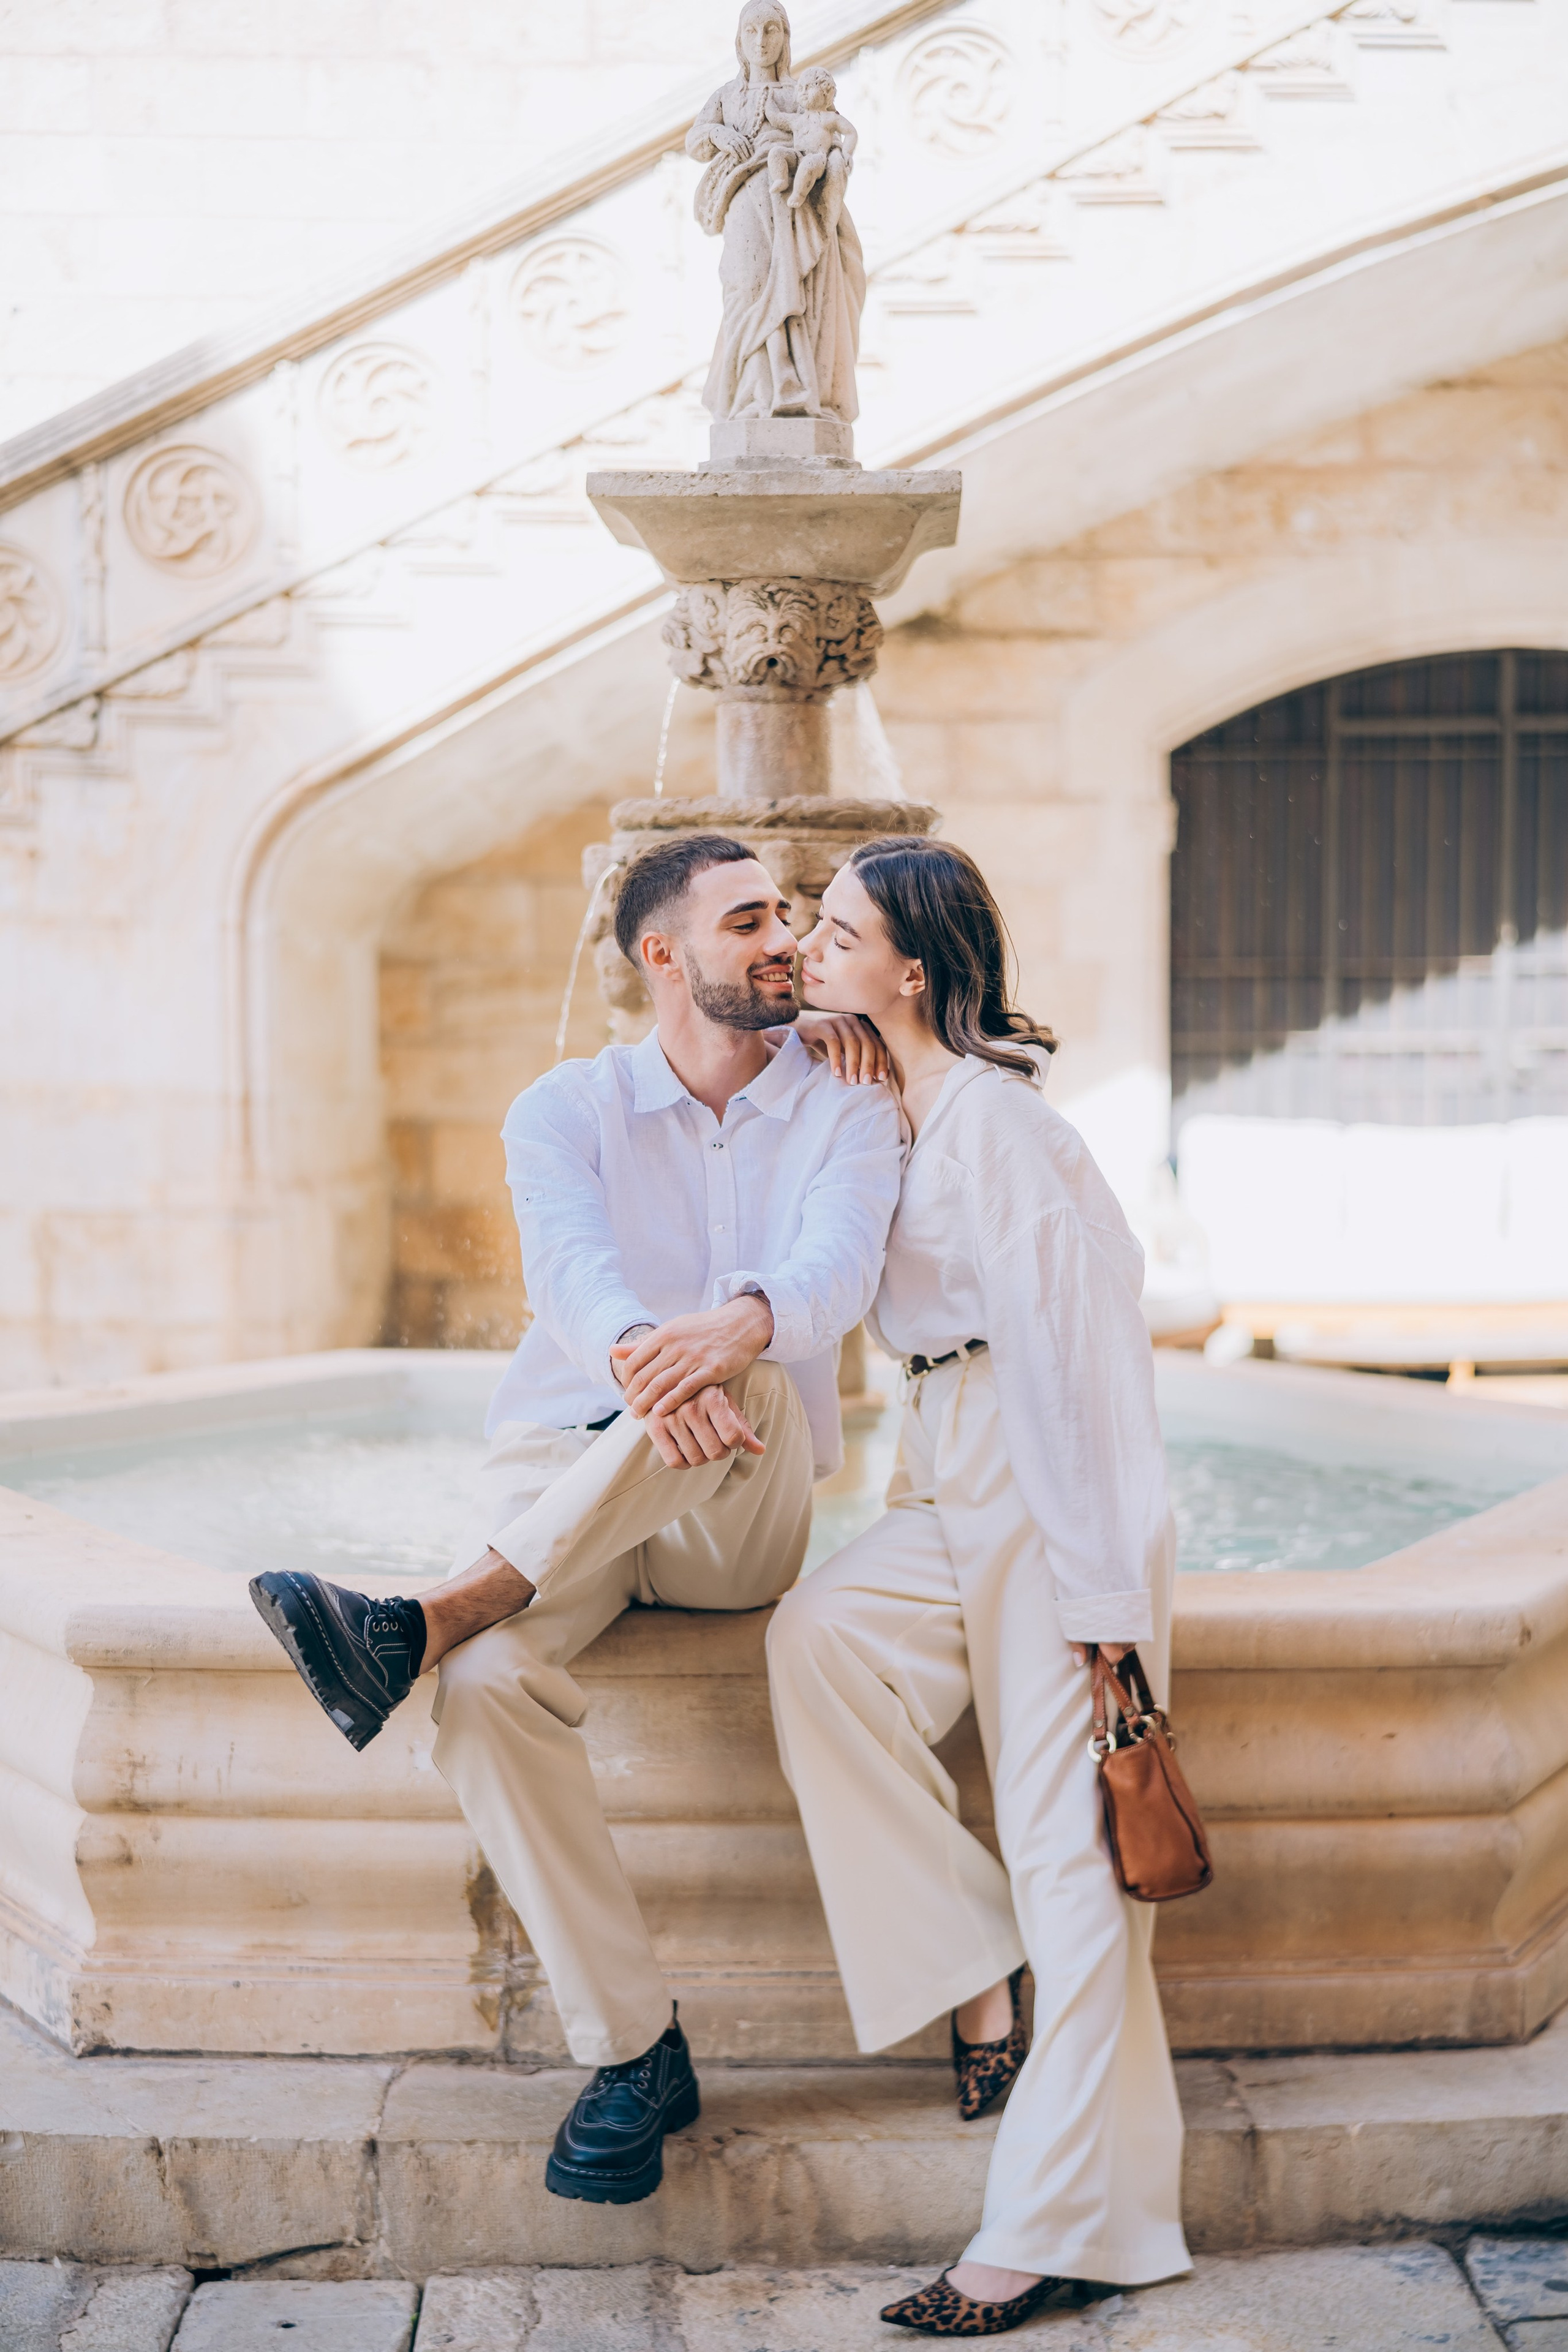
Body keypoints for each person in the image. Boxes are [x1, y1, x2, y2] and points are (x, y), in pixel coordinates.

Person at [249, 832, 902, 2209]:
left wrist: (725, 1337)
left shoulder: (844, 1094)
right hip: (572, 1463)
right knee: (484, 1693)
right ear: (661, 956)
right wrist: (647, 1364)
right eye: (746, 921)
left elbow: (835, 1274)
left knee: (747, 1370)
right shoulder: (563, 1108)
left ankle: (439, 1611)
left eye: (785, 915)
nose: (784, 938)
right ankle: (634, 2055)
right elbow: (568, 1276)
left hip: (736, 1500)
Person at [766, 837, 1191, 2338]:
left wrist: (1100, 1608)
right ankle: (967, 1959)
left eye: (838, 932)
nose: (809, 947)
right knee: (818, 1640)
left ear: (911, 968)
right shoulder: (898, 1099)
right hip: (949, 1461)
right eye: (810, 927)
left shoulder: (1000, 1123)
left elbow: (1078, 1369)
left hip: (1040, 1476)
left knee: (1069, 1863)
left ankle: (1045, 2233)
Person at [687, 1, 864, 424]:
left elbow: (829, 135)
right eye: (752, 31)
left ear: (785, 38)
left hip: (790, 207)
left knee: (795, 295)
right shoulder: (727, 95)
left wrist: (835, 161)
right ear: (739, 40)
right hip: (743, 201)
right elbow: (695, 143)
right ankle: (750, 392)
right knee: (745, 286)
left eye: (771, 30)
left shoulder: (800, 92)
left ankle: (789, 385)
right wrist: (718, 134)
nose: (761, 41)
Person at [763, 67, 857, 226]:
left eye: (809, 87)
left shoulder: (829, 118)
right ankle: (781, 179)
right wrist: (768, 101)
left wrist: (847, 152)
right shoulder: (797, 120)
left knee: (808, 166)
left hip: (817, 158)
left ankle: (799, 194)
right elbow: (776, 118)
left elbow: (851, 132)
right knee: (776, 153)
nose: (803, 92)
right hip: (798, 155)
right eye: (801, 88)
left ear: (826, 93)